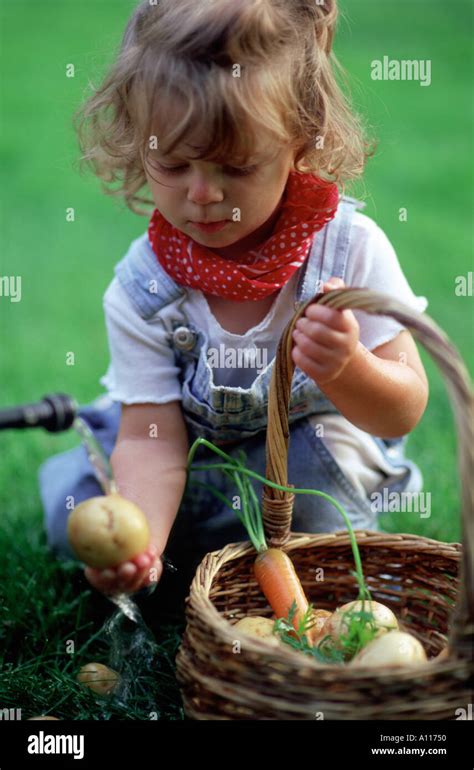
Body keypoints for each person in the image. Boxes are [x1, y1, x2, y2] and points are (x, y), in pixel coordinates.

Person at [38, 0, 429, 597]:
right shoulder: (145, 287)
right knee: (76, 518)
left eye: (236, 167)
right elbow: (154, 437)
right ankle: (203, 551)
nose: (201, 194)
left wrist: (349, 368)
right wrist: (140, 542)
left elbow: (402, 409)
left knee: (317, 488)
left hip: (295, 478)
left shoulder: (347, 251)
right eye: (172, 162)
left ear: (300, 142)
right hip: (188, 467)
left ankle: (257, 552)